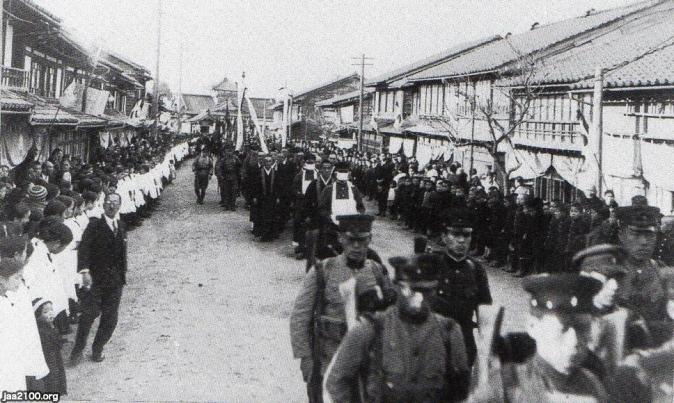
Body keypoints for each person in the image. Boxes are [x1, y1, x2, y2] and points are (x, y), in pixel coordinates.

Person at [324, 253, 470, 402]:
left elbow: (461, 391)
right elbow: (336, 382)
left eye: (427, 292)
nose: (419, 299)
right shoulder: (370, 329)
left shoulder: (449, 332)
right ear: (397, 287)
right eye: (411, 291)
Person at [290, 214, 396, 403]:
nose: (356, 246)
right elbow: (300, 317)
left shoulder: (377, 271)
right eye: (350, 240)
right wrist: (305, 359)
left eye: (361, 240)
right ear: (341, 239)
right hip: (328, 359)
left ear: (369, 239)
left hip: (367, 364)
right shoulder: (323, 271)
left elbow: (392, 317)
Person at [471, 273, 610, 402]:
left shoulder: (593, 387)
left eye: (582, 328)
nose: (573, 341)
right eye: (563, 328)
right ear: (532, 326)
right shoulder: (506, 385)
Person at [70, 193, 127, 365]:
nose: (111, 206)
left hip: (115, 280)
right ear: (103, 205)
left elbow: (122, 254)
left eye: (115, 203)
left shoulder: (121, 225)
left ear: (119, 206)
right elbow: (84, 249)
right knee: (88, 315)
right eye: (108, 202)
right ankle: (77, 351)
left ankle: (97, 349)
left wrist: (122, 274)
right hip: (95, 279)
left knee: (111, 318)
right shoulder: (94, 225)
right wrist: (85, 271)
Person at [432, 207, 492, 366]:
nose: (461, 240)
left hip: (464, 344)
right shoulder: (431, 265)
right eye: (455, 235)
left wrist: (487, 348)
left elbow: (484, 310)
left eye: (466, 235)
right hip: (433, 343)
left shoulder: (476, 269)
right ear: (444, 237)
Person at [615, 203, 672, 345]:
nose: (644, 242)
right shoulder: (609, 273)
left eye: (650, 234)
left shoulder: (662, 271)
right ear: (622, 235)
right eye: (635, 234)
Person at [29, 298, 67, 395]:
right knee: (52, 375)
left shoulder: (50, 325)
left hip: (54, 355)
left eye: (51, 310)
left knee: (57, 372)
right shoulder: (42, 330)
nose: (50, 313)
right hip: (49, 357)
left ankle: (57, 390)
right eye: (45, 312)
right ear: (38, 316)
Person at [251, 155, 280, 242]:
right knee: (262, 216)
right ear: (264, 162)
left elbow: (278, 187)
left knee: (271, 216)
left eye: (270, 161)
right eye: (266, 161)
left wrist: (278, 197)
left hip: (272, 198)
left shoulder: (275, 173)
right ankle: (263, 235)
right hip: (262, 198)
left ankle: (271, 235)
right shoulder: (259, 172)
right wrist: (255, 196)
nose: (268, 163)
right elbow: (255, 186)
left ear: (272, 162)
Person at [216, 146, 241, 211]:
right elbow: (219, 168)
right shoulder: (223, 159)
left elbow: (240, 166)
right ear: (226, 152)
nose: (229, 153)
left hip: (234, 177)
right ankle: (227, 205)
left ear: (232, 151)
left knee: (234, 192)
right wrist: (221, 176)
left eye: (230, 151)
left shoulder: (236, 159)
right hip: (226, 177)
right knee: (226, 191)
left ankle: (233, 205)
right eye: (228, 151)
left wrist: (240, 175)